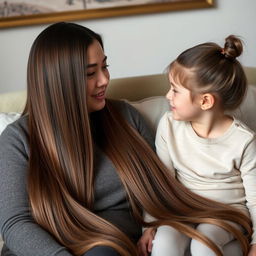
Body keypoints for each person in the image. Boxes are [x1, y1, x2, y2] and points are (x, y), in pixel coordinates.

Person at [0, 23, 252, 256]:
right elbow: (14, 224)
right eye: (91, 73)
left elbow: (158, 193)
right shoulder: (18, 140)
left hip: (109, 246)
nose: (105, 79)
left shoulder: (126, 120)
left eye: (105, 66)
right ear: (59, 82)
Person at [138, 35, 256, 256]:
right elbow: (162, 182)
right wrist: (150, 225)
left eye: (175, 90)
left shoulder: (244, 141)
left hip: (226, 213)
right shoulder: (169, 126)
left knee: (204, 246)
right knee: (164, 243)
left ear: (205, 101)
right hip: (183, 209)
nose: (167, 96)